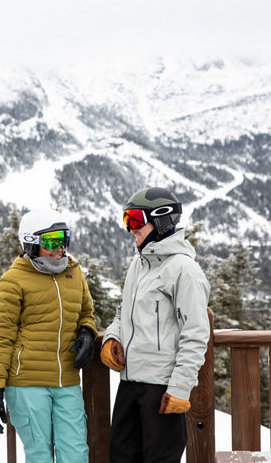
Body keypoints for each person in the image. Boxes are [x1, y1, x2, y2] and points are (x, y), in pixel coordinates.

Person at [100, 187, 210, 463]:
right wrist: (112, 337)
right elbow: (123, 312)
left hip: (161, 390)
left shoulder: (184, 270)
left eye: (136, 220)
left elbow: (195, 336)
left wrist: (180, 388)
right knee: (120, 457)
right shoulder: (139, 265)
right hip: (129, 385)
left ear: (162, 220)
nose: (130, 229)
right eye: (127, 220)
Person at [0, 208, 97, 463]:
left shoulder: (74, 272)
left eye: (64, 239)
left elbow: (87, 313)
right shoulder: (13, 280)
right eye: (52, 241)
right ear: (31, 243)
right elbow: (2, 338)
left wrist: (87, 332)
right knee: (40, 456)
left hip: (66, 379)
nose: (61, 248)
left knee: (76, 454)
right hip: (27, 383)